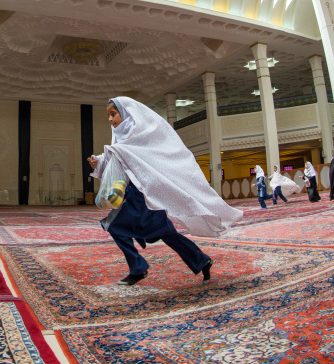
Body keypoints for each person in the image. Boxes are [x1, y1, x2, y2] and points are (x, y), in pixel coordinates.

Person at [88, 97, 243, 286]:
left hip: (146, 195)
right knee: (166, 233)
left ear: (126, 113)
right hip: (139, 196)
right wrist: (100, 161)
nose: (111, 119)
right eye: (109, 116)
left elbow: (142, 159)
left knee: (114, 226)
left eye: (113, 114)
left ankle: (138, 268)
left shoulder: (141, 136)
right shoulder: (121, 139)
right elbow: (119, 163)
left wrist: (112, 155)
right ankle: (201, 261)